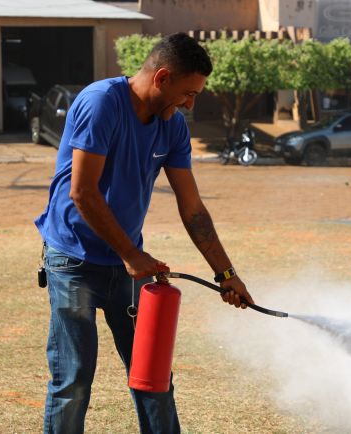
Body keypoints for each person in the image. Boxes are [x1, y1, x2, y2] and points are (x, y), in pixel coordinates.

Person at [34, 32, 255, 434]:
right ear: (163, 77)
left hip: (127, 264)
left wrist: (226, 274)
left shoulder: (171, 127)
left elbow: (193, 209)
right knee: (73, 381)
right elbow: (82, 192)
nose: (190, 104)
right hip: (73, 259)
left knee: (152, 376)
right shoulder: (101, 103)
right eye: (188, 93)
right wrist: (131, 255)